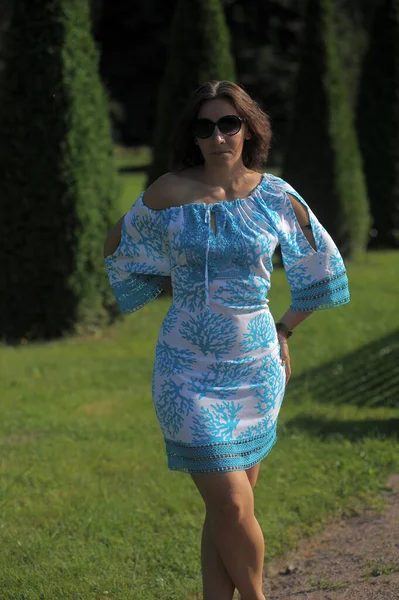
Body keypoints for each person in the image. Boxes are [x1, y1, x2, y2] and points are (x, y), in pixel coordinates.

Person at [103, 80, 350, 600]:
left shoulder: (276, 195)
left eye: (228, 124)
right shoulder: (170, 190)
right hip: (185, 371)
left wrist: (284, 328)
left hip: (256, 367)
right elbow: (119, 243)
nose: (217, 136)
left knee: (227, 508)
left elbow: (321, 264)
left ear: (248, 129)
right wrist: (175, 280)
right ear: (193, 136)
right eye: (205, 126)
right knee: (234, 505)